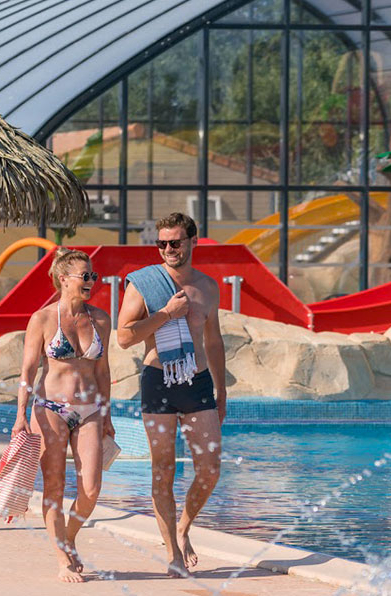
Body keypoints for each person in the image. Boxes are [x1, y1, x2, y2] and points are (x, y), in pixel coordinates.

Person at [116, 212, 226, 578]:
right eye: (161, 243)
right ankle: (172, 552)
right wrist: (166, 312)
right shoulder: (144, 284)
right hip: (158, 382)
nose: (168, 249)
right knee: (162, 470)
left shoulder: (208, 287)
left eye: (175, 242)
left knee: (209, 469)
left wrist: (222, 390)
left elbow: (213, 341)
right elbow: (124, 336)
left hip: (198, 383)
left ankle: (184, 526)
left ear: (193, 241)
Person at [12, 248, 115, 583]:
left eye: (92, 276)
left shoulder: (101, 320)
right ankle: (62, 559)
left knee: (92, 488)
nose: (91, 282)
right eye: (85, 276)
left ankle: (69, 537)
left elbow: (103, 372)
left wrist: (107, 414)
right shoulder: (42, 319)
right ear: (63, 279)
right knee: (54, 487)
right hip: (51, 410)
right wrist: (20, 415)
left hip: (89, 411)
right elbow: (28, 371)